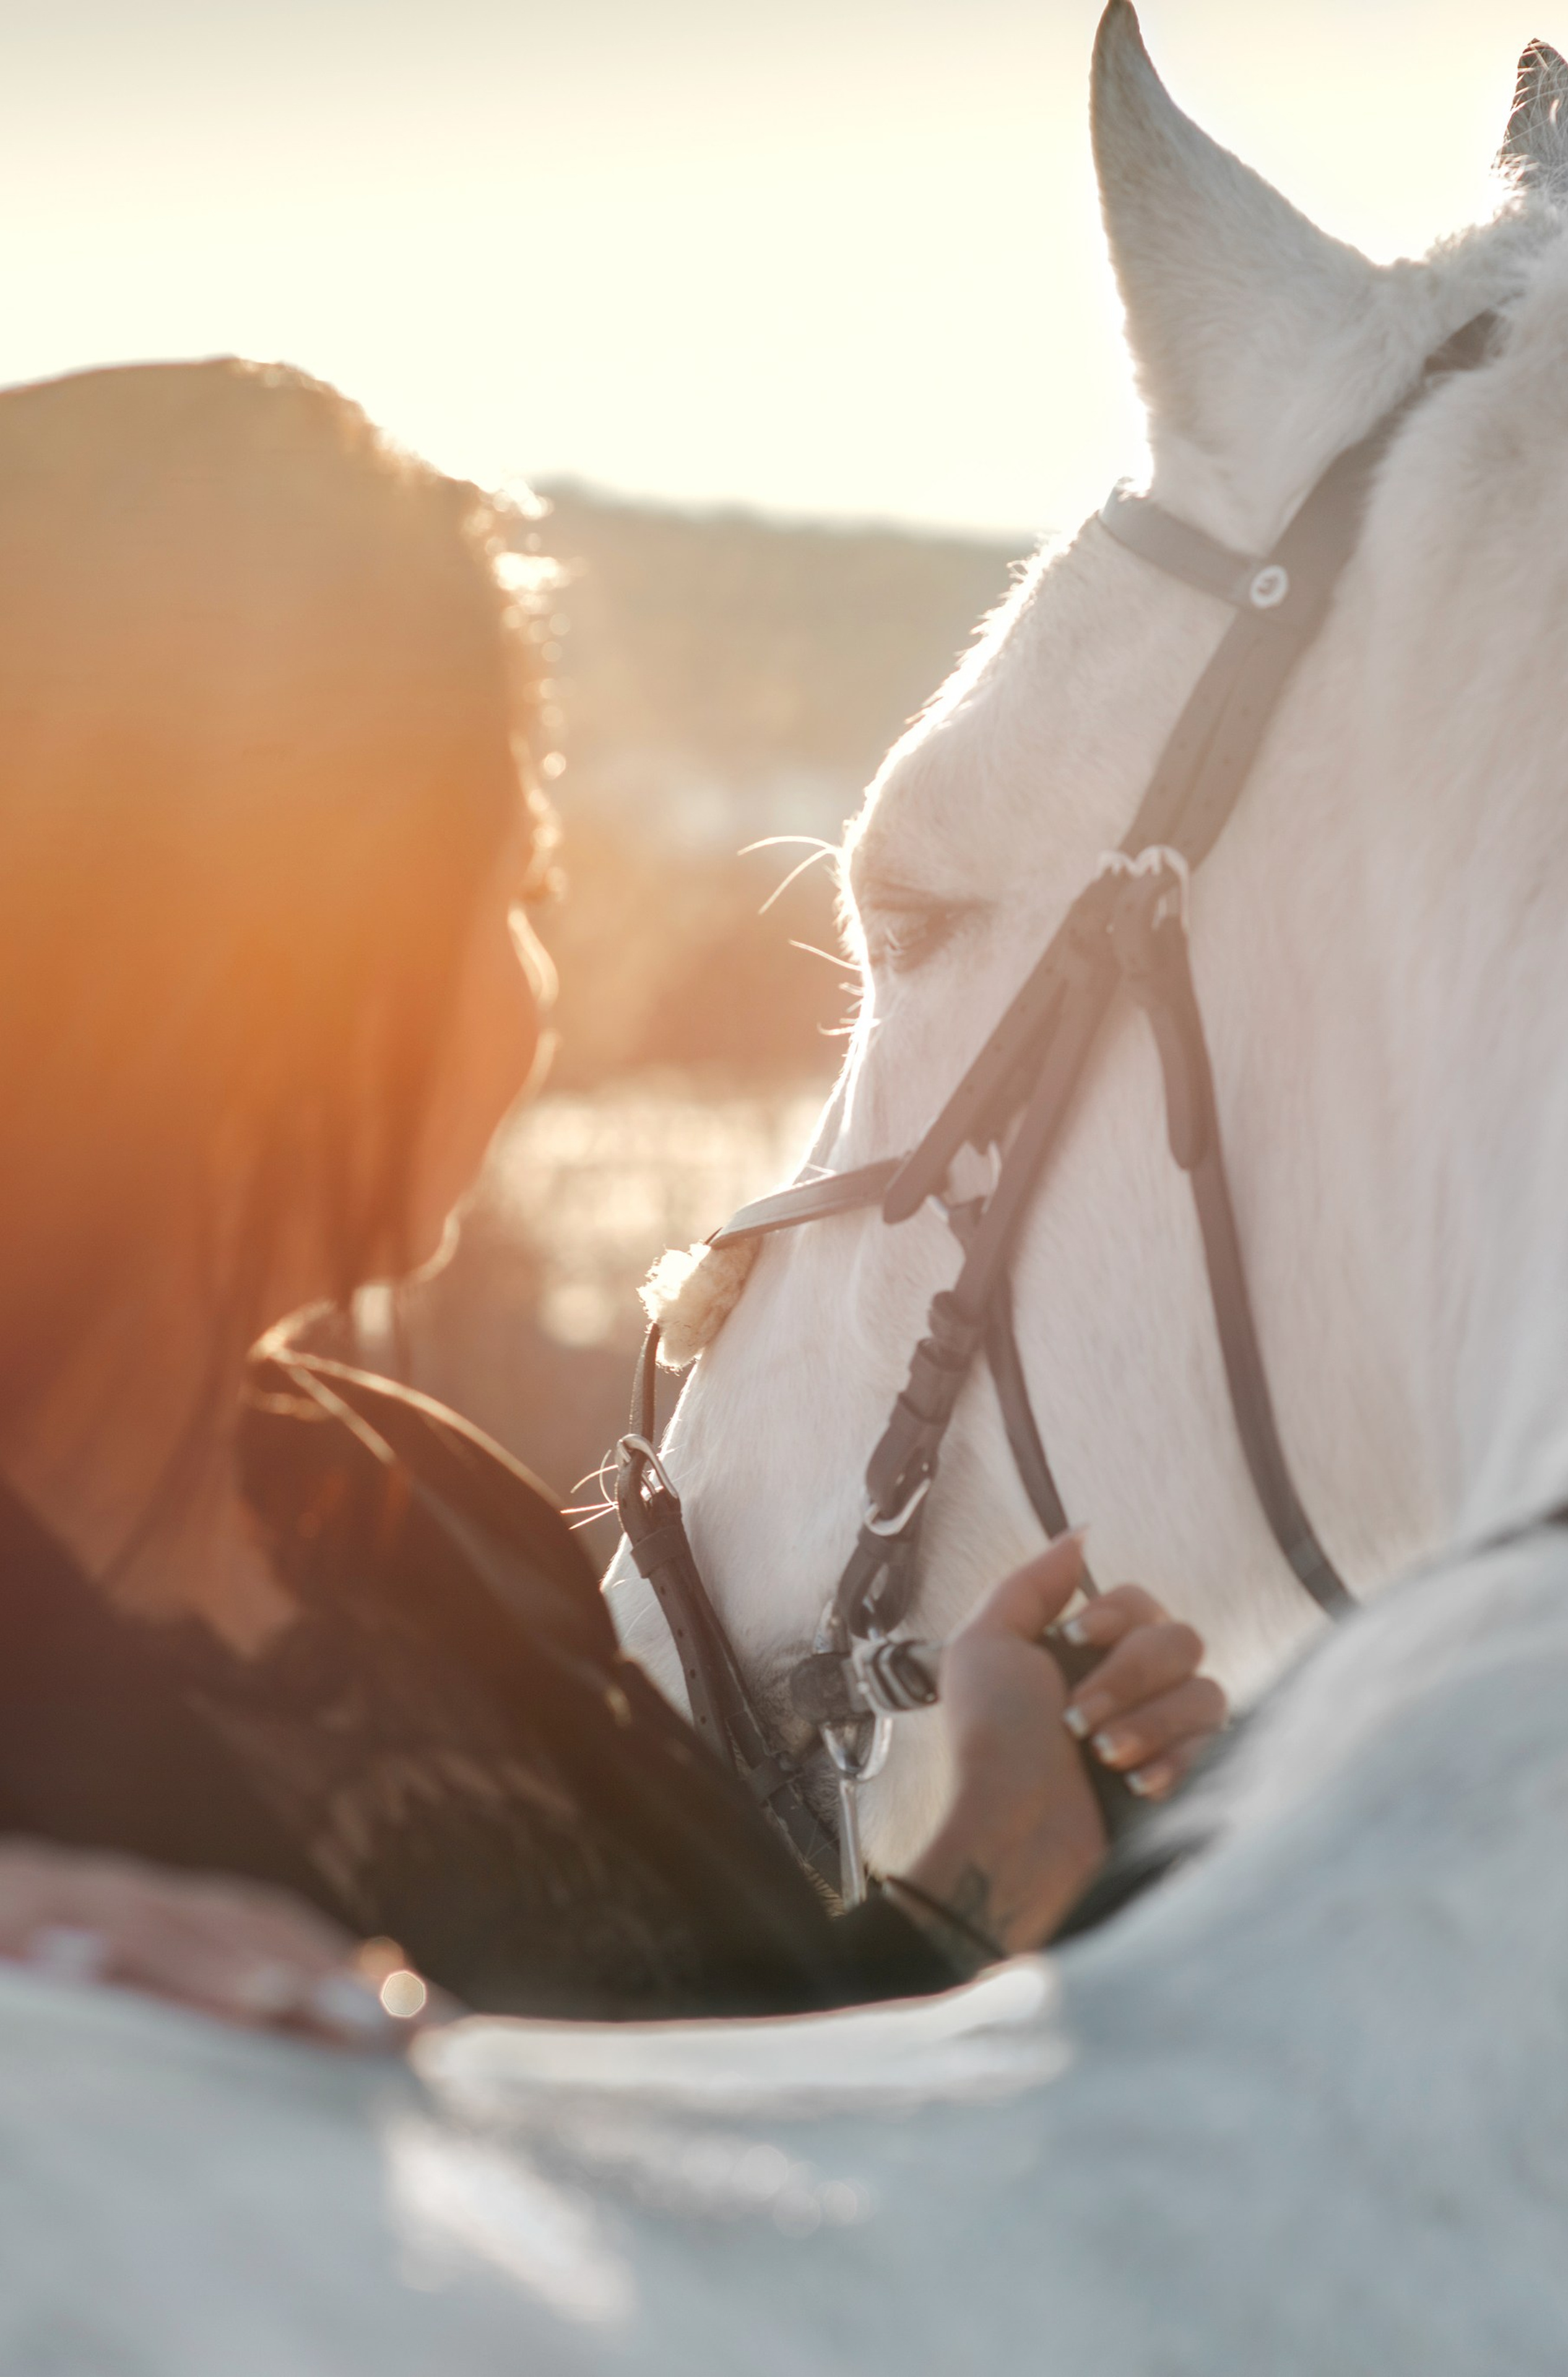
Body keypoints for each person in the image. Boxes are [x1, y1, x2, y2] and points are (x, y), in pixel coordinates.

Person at [0, 357, 1226, 2040]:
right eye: (515, 890)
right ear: (280, 953)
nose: (540, 983)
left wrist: (1005, 1851)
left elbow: (725, 2141)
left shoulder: (438, 1525)